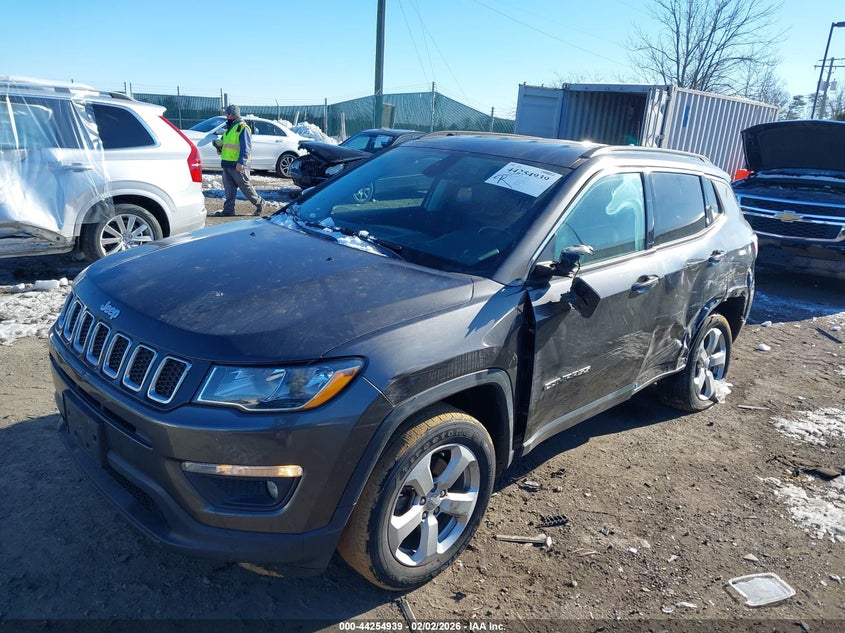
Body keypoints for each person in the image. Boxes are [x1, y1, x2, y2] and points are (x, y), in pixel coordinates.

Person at [212, 104, 265, 217]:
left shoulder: (242, 127)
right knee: (229, 190)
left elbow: (246, 147)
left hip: (237, 164)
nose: (226, 115)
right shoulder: (229, 128)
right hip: (227, 163)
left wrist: (241, 162)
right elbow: (226, 144)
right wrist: (220, 148)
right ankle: (228, 210)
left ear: (233, 114)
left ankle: (260, 203)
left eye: (228, 113)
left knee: (245, 187)